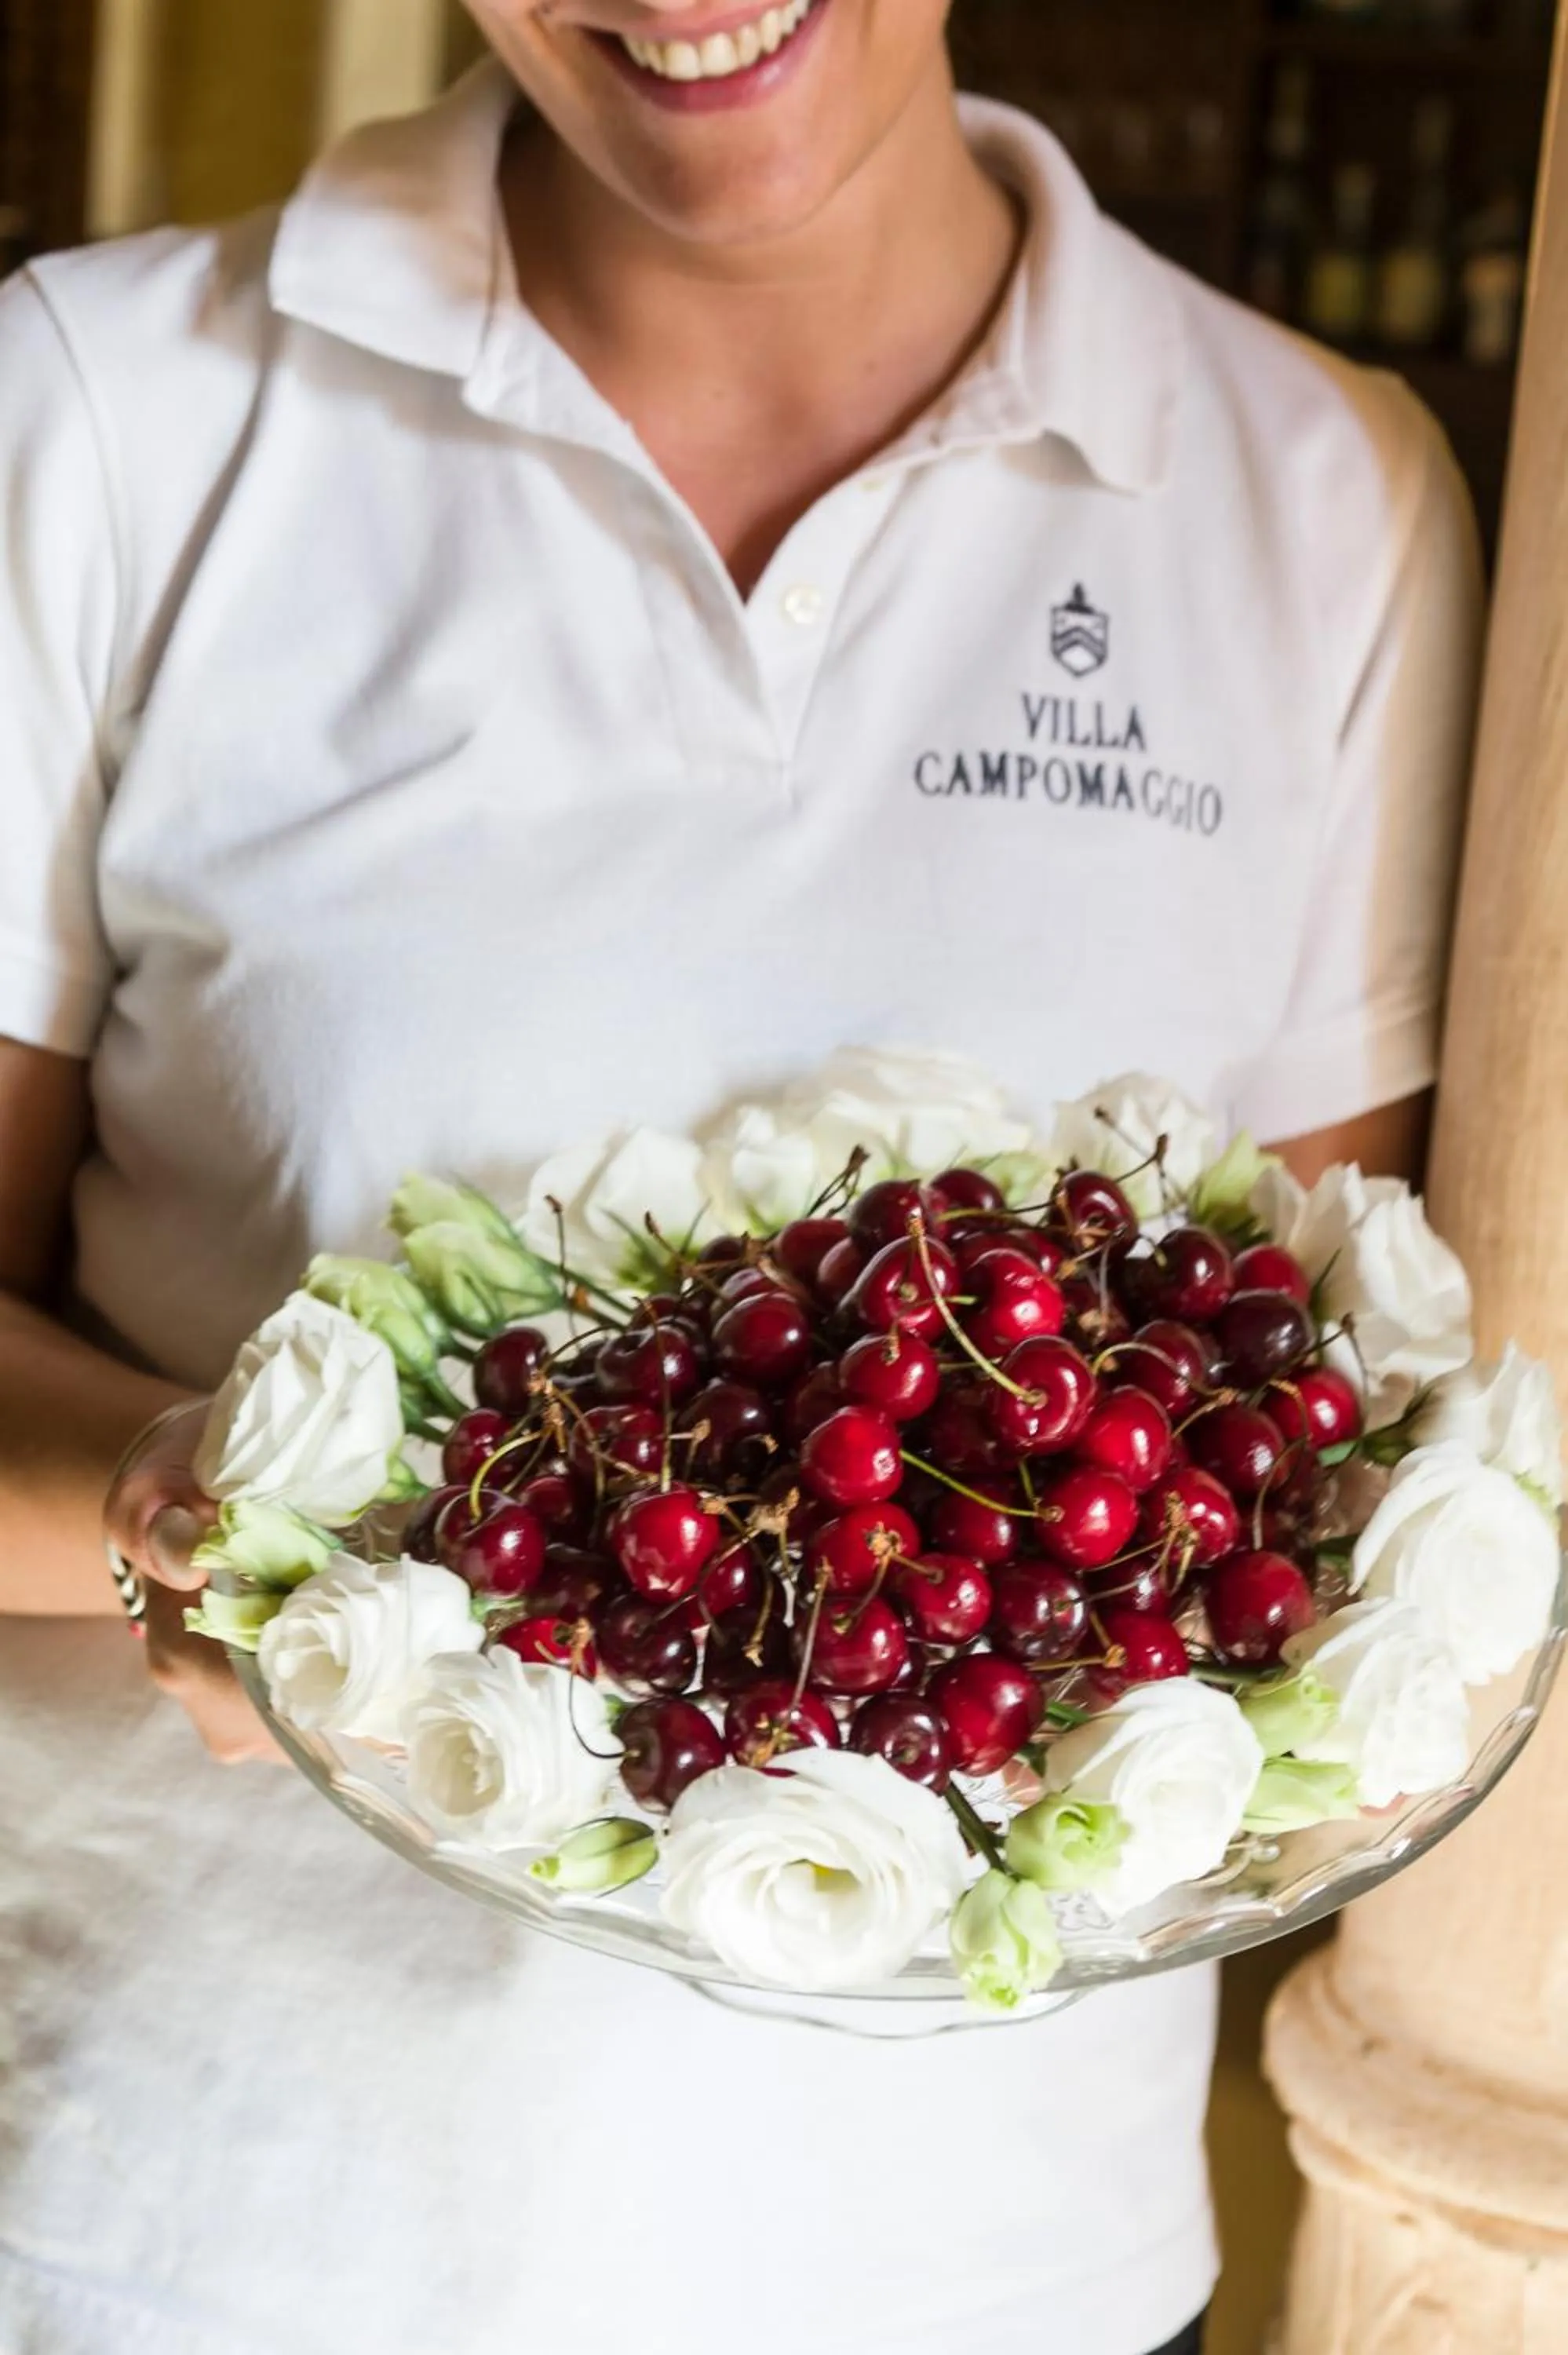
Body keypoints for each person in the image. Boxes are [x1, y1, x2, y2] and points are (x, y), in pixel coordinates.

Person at [0, 5, 1482, 2352]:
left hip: (1000, 2277)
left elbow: (1299, 1447)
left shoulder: (1318, 493)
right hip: (205, 2234)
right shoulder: (100, 408)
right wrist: (176, 1505)